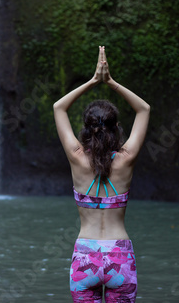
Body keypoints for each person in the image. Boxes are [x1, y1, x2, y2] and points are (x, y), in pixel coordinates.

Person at [53, 46, 150, 302]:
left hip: (86, 257)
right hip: (120, 256)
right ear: (117, 128)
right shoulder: (126, 160)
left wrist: (93, 81)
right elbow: (144, 109)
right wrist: (111, 82)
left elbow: (58, 108)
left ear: (86, 129)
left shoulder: (76, 157)